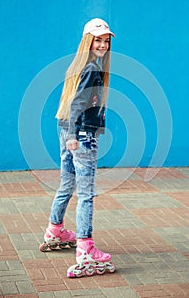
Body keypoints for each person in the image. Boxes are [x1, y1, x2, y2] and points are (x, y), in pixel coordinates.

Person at [39, 18, 116, 278]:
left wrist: (68, 133)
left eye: (106, 40)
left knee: (67, 184)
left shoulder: (79, 66)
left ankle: (55, 230)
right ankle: (85, 247)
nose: (103, 44)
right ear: (87, 41)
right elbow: (77, 104)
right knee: (86, 193)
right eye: (98, 39)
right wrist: (74, 134)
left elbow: (70, 104)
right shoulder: (92, 68)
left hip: (66, 129)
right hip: (80, 135)